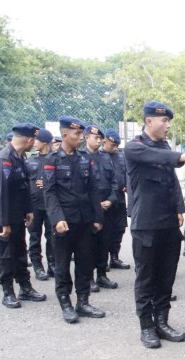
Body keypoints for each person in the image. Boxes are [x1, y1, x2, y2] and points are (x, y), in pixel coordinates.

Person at [125, 101, 185, 349]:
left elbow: (171, 180)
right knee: (146, 277)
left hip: (168, 223)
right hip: (146, 223)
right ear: (149, 121)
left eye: (169, 121)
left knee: (166, 276)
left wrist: (179, 208)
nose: (168, 125)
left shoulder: (164, 146)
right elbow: (160, 158)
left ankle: (162, 321)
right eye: (164, 121)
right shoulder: (134, 147)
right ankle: (147, 327)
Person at [44, 116, 108, 323]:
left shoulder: (85, 159)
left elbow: (94, 190)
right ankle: (66, 303)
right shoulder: (52, 160)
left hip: (85, 221)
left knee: (85, 263)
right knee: (62, 266)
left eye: (82, 134)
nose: (81, 138)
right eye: (77, 134)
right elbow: (50, 193)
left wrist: (97, 217)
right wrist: (57, 219)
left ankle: (83, 302)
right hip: (64, 222)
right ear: (64, 135)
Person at [0, 123, 47, 308]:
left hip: (16, 214)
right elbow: (1, 193)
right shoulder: (4, 158)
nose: (34, 143)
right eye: (33, 140)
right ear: (28, 140)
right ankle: (8, 292)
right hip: (1, 216)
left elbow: (24, 186)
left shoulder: (19, 157)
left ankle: (25, 288)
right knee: (5, 256)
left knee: (20, 253)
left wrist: (28, 210)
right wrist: (3, 222)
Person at [83, 125, 118, 291]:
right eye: (95, 138)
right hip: (90, 209)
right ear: (86, 138)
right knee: (88, 245)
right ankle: (88, 278)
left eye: (100, 138)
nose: (99, 141)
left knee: (105, 242)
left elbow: (115, 182)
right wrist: (95, 204)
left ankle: (102, 275)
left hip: (107, 207)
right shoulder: (81, 157)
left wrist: (111, 200)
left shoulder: (106, 158)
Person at [26, 128, 56, 280]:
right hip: (34, 205)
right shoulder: (30, 161)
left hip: (51, 205)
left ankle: (52, 264)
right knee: (34, 236)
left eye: (37, 140)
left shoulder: (55, 159)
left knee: (52, 236)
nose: (34, 143)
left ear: (44, 141)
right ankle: (38, 266)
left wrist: (46, 183)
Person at [103, 129, 131, 270]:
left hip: (119, 198)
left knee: (119, 229)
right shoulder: (99, 156)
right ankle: (102, 259)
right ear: (105, 141)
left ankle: (114, 257)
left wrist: (127, 184)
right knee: (105, 231)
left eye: (116, 146)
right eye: (112, 145)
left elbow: (126, 172)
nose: (114, 148)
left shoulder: (121, 156)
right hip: (105, 200)